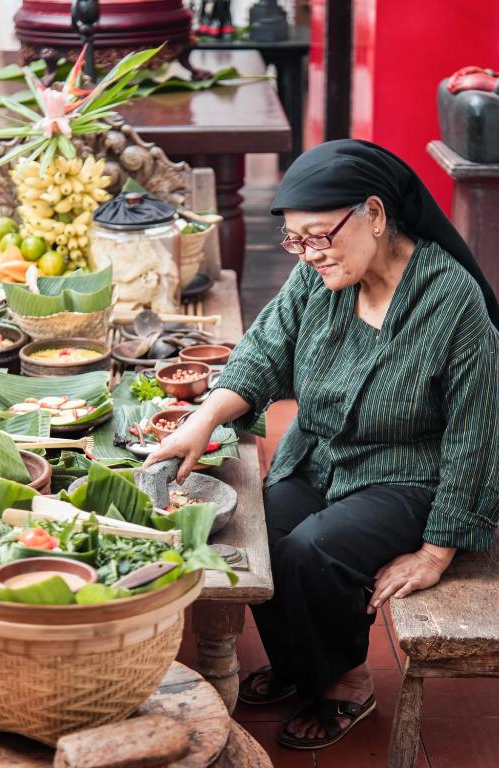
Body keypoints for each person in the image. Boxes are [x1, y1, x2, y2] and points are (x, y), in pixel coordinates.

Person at [143, 139, 499, 751]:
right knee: (257, 536)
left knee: (313, 552)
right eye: (294, 240)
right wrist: (202, 420)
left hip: (407, 475)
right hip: (320, 455)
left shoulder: (451, 302)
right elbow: (263, 351)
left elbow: (477, 431)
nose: (307, 254)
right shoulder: (319, 277)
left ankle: (345, 680)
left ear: (376, 215)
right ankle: (302, 665)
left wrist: (436, 552)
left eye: (318, 236)